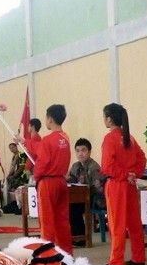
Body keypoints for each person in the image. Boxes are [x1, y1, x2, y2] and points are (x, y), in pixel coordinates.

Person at [96, 103, 147, 265]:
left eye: (104, 117)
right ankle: (138, 257)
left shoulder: (110, 138)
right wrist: (133, 174)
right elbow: (142, 158)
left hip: (116, 185)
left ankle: (116, 260)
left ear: (109, 119)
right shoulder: (129, 137)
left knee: (116, 223)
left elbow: (107, 166)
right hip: (130, 185)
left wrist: (125, 175)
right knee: (134, 223)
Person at [34, 104, 73, 253]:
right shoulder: (65, 138)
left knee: (47, 222)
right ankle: (66, 254)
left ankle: (47, 256)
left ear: (50, 119)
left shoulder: (47, 140)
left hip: (47, 182)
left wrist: (36, 177)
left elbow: (42, 163)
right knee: (62, 221)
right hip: (61, 181)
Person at [67, 138, 105, 245]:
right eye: (77, 151)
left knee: (74, 209)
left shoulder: (94, 167)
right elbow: (71, 181)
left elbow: (98, 188)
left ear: (89, 152)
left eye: (83, 150)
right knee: (67, 206)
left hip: (95, 199)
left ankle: (82, 238)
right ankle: (74, 237)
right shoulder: (75, 166)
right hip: (80, 198)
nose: (80, 153)